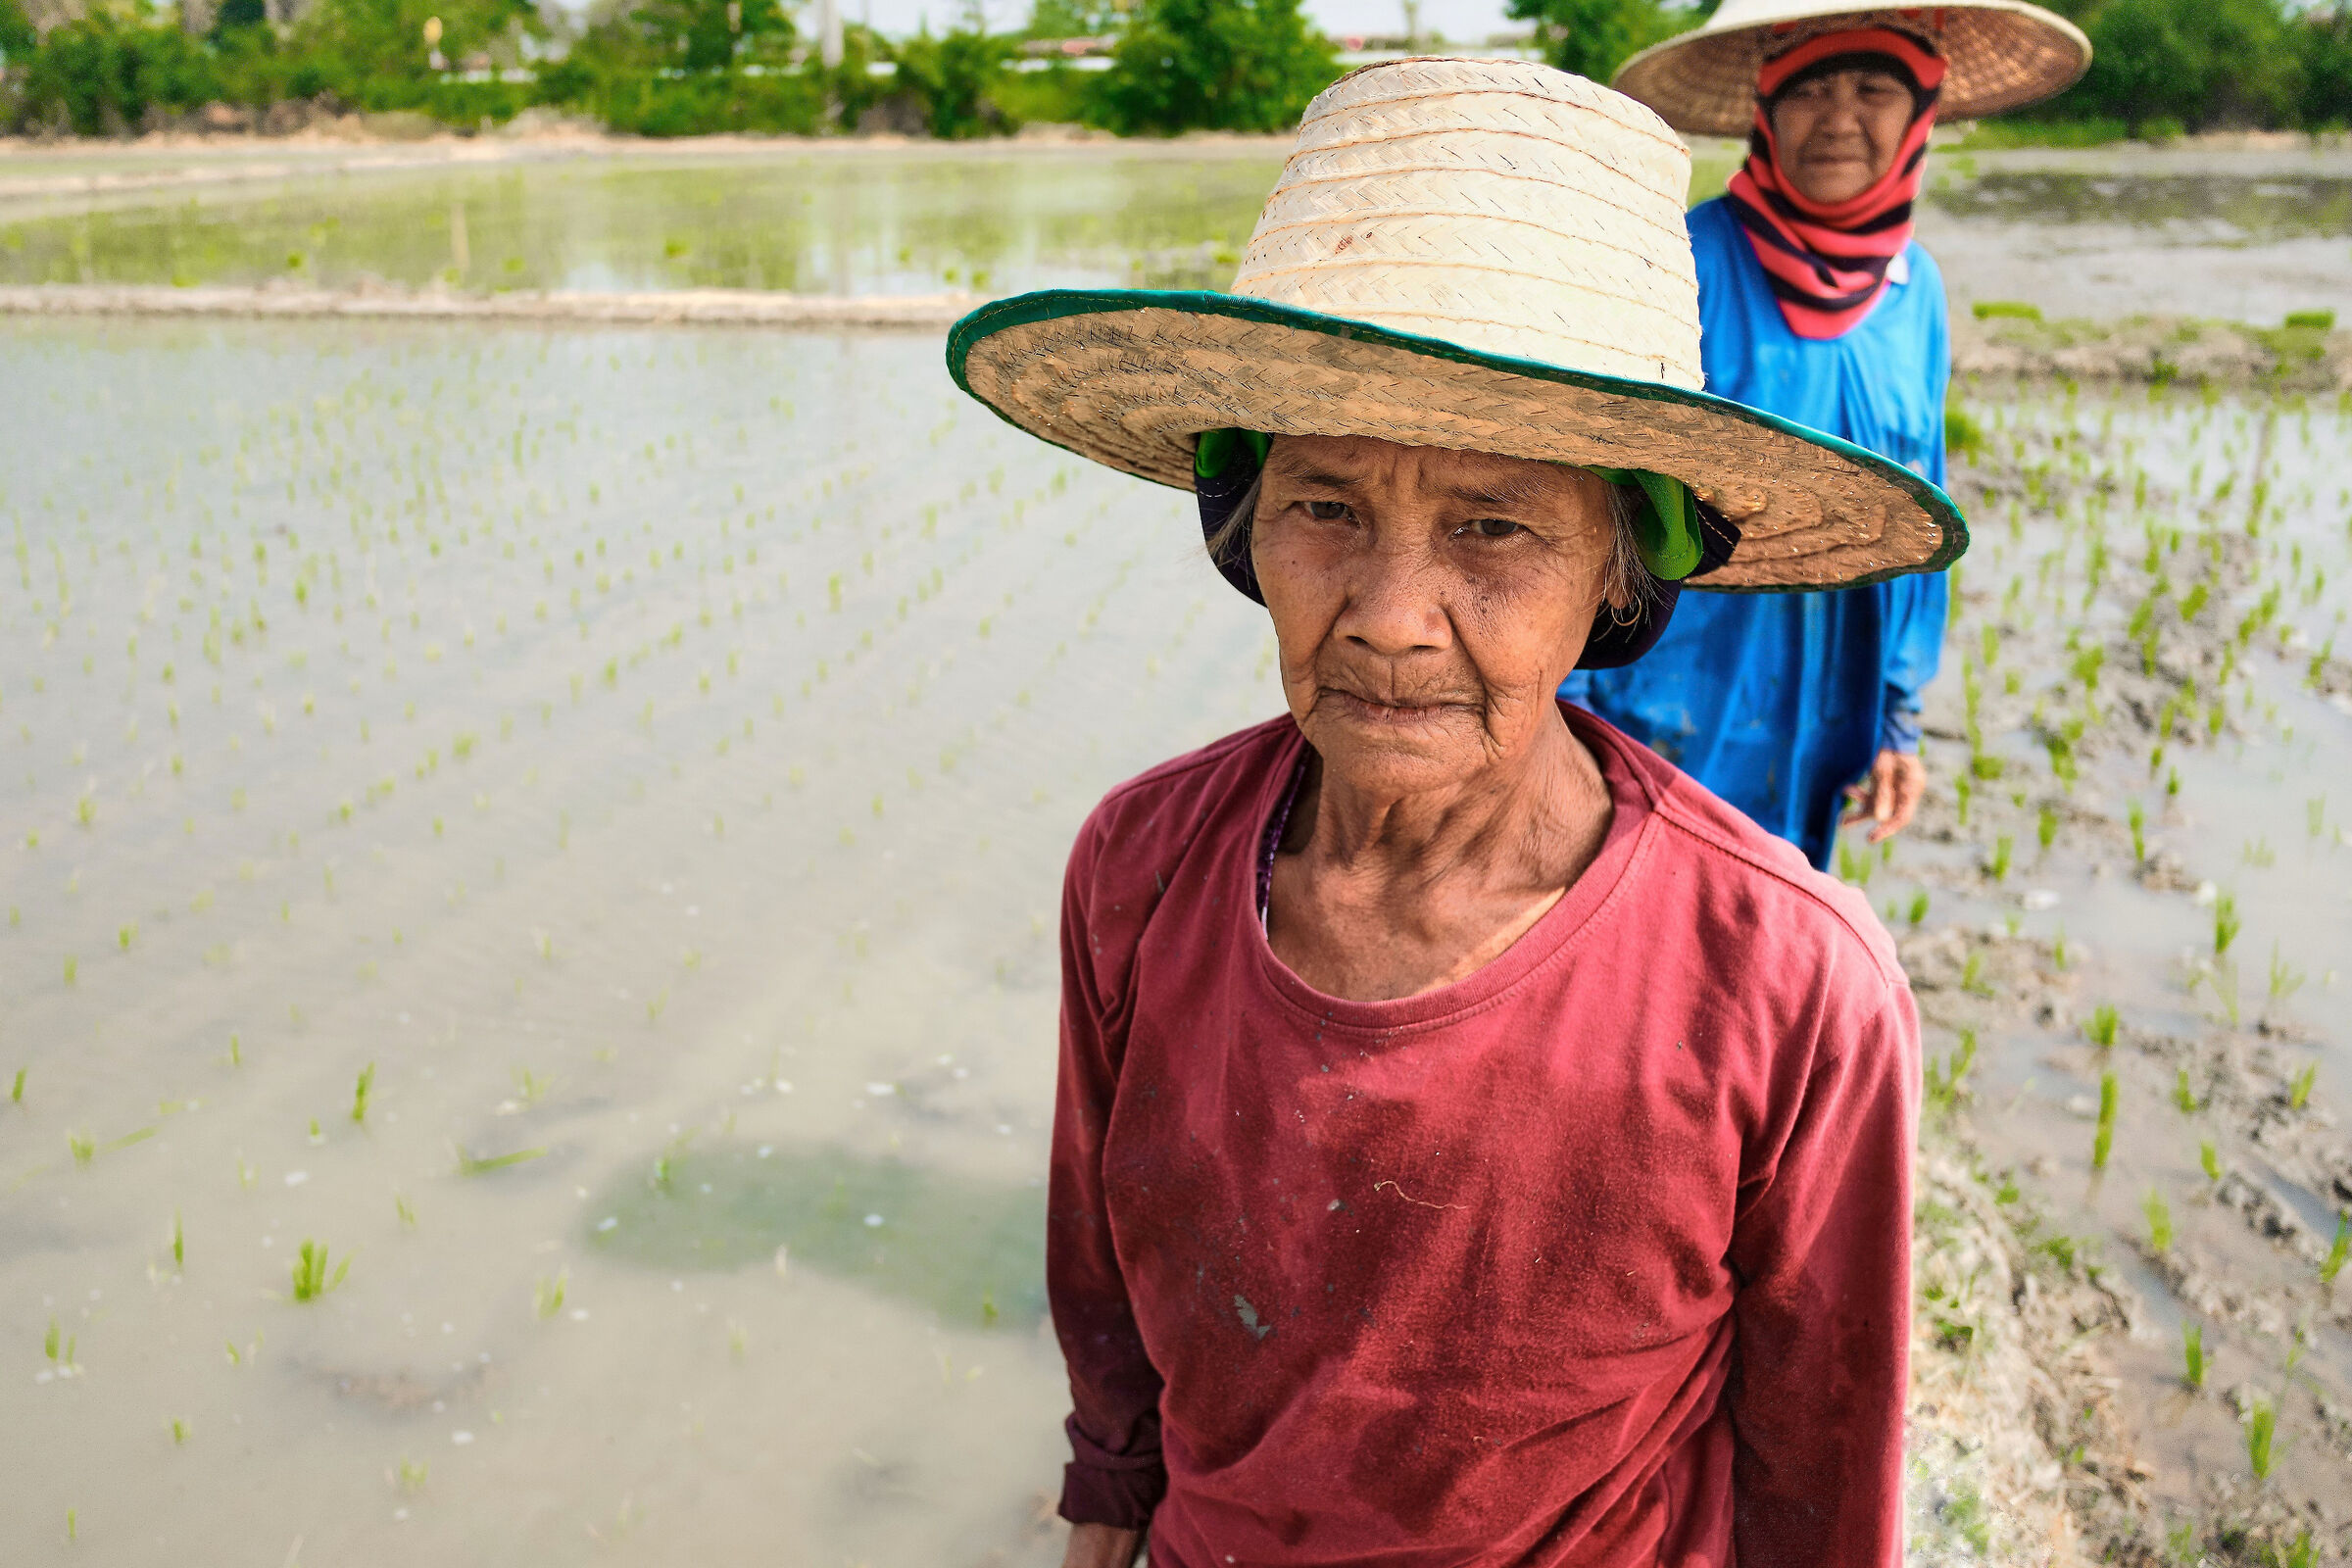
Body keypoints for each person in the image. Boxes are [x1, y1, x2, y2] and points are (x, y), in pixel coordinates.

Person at [948, 59, 1965, 1567]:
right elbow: (1105, 1297)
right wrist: (1107, 1512)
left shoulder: (1793, 984)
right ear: (1241, 526)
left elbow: (1820, 1466)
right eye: (1324, 507)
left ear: (1622, 576)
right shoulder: (1141, 868)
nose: (1392, 619)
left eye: (1494, 528)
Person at [1579, 0, 2090, 868]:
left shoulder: (1915, 287)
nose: (1841, 118)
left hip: (1829, 713)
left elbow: (1920, 493)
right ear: (1765, 107)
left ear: (1921, 108)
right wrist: (1573, 713)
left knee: (1775, 957)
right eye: (1810, 87)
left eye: (1874, 88)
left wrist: (1897, 715)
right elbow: (1588, 490)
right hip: (1654, 711)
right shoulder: (1680, 263)